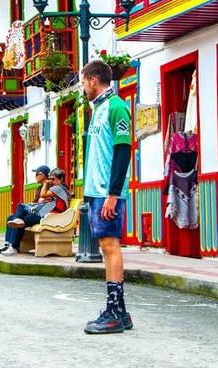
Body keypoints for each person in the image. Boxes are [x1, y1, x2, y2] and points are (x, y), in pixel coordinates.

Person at [79, 60, 133, 335]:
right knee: (105, 246)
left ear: (94, 80)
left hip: (107, 192)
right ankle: (121, 312)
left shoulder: (116, 107)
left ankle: (113, 313)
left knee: (110, 247)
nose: (83, 87)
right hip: (96, 191)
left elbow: (123, 151)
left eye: (83, 82)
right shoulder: (98, 109)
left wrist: (113, 194)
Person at [0, 168, 71, 256]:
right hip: (48, 214)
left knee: (22, 219)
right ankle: (9, 244)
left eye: (53, 179)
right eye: (50, 179)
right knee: (13, 218)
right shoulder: (58, 189)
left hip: (50, 216)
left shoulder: (59, 188)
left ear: (61, 179)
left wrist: (45, 183)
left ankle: (14, 246)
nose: (51, 181)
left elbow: (42, 195)